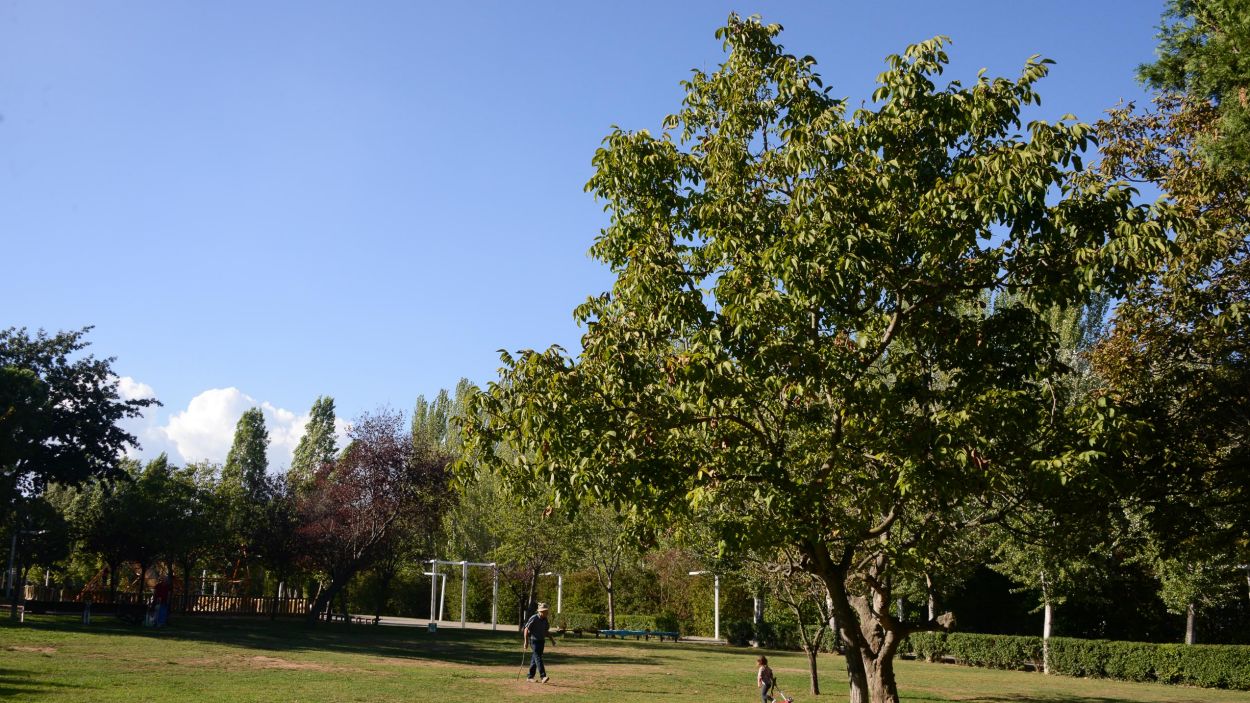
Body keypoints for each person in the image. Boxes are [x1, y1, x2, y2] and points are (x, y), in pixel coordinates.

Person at [523, 602, 555, 683]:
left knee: (535, 658)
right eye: (545, 611)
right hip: (534, 641)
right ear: (540, 611)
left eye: (546, 611)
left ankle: (530, 677)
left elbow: (546, 631)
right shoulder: (534, 618)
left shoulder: (545, 620)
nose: (546, 613)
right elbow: (526, 629)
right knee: (538, 658)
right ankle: (543, 676)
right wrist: (526, 642)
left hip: (541, 641)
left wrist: (552, 639)